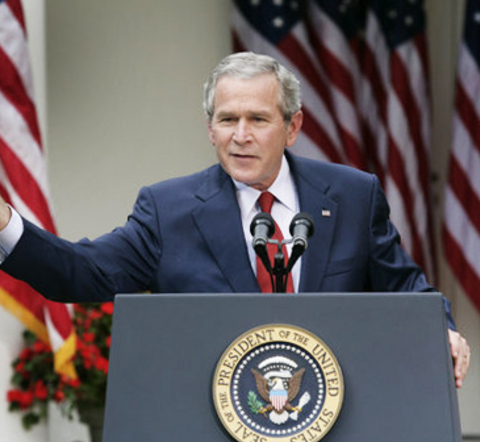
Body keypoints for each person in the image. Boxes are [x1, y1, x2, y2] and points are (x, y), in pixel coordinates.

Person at [0, 52, 470, 387]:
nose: (240, 136)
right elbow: (83, 273)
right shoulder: (169, 210)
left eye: (258, 120)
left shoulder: (351, 196)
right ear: (209, 128)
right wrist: (4, 223)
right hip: (213, 433)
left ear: (293, 127)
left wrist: (442, 330)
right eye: (227, 120)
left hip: (335, 424)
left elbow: (407, 290)